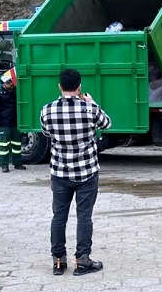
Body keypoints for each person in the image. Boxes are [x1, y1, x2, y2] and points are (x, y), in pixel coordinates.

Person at [40, 68, 112, 276]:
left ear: (60, 86)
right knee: (84, 217)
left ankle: (58, 261)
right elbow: (107, 124)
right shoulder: (89, 109)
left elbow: (46, 132)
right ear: (79, 86)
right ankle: (83, 260)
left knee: (59, 216)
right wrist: (92, 103)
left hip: (60, 172)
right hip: (87, 171)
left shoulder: (47, 110)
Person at [0, 67, 26, 173]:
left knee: (17, 145)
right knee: (4, 146)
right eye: (9, 82)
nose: (11, 84)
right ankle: (4, 165)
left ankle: (17, 163)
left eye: (11, 82)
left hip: (14, 123)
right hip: (3, 123)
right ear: (3, 84)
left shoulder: (14, 92)